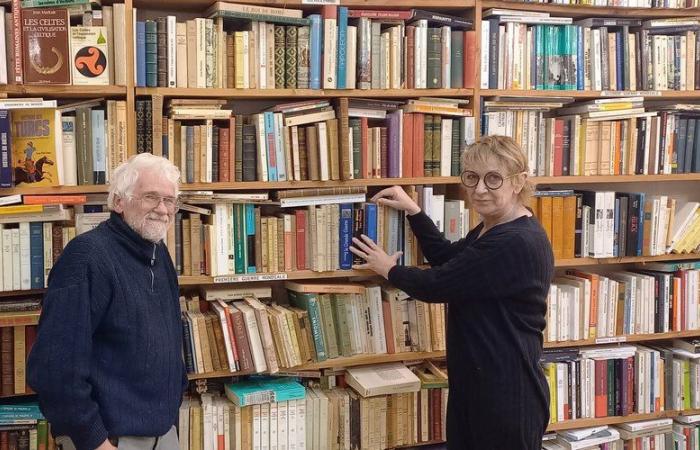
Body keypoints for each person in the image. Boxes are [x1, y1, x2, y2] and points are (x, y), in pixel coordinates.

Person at [349, 135, 553, 449]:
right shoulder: (493, 226)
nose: (480, 189)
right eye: (471, 177)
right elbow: (448, 257)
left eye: (493, 179)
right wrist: (415, 212)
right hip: (479, 382)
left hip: (507, 392)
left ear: (519, 182)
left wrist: (388, 268)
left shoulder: (514, 241)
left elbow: (438, 284)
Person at [27, 153, 186, 450]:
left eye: (169, 200)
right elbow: (54, 369)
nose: (163, 209)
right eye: (151, 197)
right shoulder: (86, 257)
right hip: (108, 441)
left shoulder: (158, 253)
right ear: (118, 202)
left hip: (163, 435)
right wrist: (94, 440)